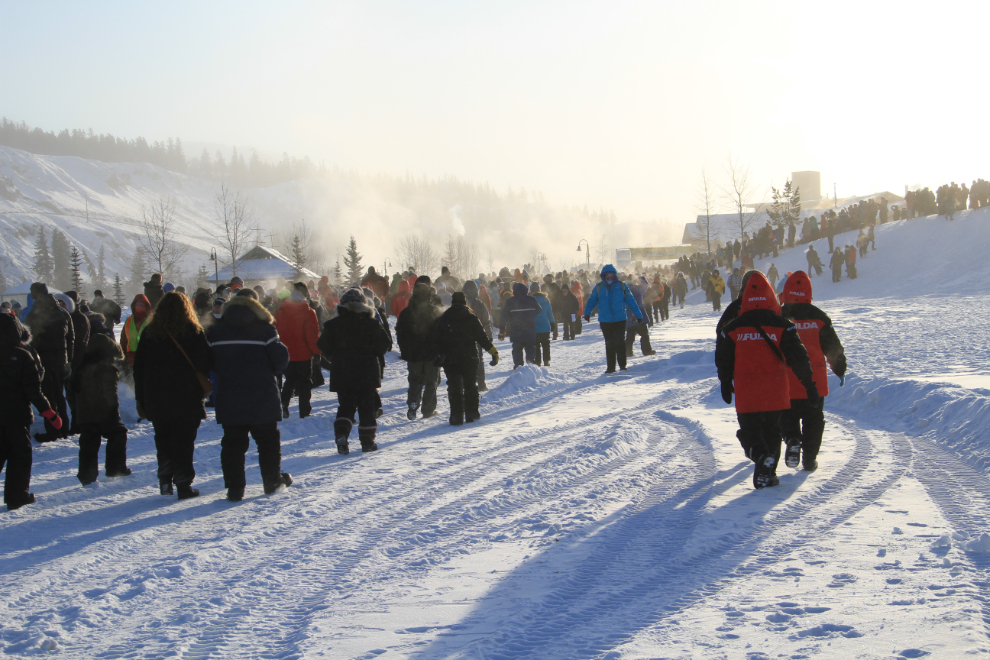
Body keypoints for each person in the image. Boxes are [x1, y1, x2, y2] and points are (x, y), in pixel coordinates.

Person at [715, 272, 818, 489]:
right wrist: (809, 383)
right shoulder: (783, 326)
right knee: (773, 431)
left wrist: (725, 382)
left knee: (749, 431)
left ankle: (761, 457)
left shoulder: (732, 328)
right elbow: (798, 357)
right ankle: (768, 473)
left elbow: (723, 357)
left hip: (747, 390)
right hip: (776, 391)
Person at [206, 289, 292, 501]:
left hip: (229, 395)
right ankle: (272, 481)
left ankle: (235, 488)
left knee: (233, 443)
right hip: (262, 395)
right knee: (268, 441)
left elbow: (206, 362)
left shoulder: (215, 333)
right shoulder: (266, 331)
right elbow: (281, 362)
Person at [133, 292, 213, 500]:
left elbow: (138, 368)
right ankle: (183, 484)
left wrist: (140, 397)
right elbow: (205, 363)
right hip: (186, 396)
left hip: (157, 397)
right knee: (184, 442)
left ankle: (165, 480)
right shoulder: (193, 331)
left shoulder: (150, 333)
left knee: (163, 440)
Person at [778, 271, 847, 471]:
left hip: (787, 380)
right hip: (815, 381)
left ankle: (792, 439)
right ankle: (809, 458)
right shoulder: (820, 318)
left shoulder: (779, 316)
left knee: (787, 416)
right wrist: (840, 369)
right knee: (814, 420)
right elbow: (834, 349)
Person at [319, 288, 392, 454]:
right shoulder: (371, 323)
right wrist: (371, 352)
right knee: (366, 407)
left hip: (342, 372)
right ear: (363, 304)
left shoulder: (333, 325)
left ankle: (342, 435)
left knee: (345, 406)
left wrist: (336, 357)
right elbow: (384, 344)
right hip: (366, 371)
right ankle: (367, 442)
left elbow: (323, 347)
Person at [0, 313, 61, 510]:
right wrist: (49, 413)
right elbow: (33, 391)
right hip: (16, 416)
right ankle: (16, 496)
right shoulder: (22, 356)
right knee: (20, 455)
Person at [71, 312, 130, 485]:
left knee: (89, 441)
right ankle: (115, 468)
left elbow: (73, 392)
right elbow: (110, 394)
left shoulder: (81, 367)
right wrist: (114, 415)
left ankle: (86, 475)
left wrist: (77, 414)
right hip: (103, 413)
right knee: (118, 433)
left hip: (85, 414)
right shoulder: (107, 368)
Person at [434, 291, 498, 425]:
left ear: (452, 303)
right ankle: (471, 414)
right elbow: (482, 338)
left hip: (451, 358)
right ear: (464, 303)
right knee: (470, 385)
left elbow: (437, 339)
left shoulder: (444, 318)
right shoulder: (471, 318)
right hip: (470, 357)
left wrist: (436, 354)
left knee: (454, 386)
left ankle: (456, 416)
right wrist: (493, 352)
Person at [24, 283, 74, 442]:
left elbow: (27, 339)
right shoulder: (62, 312)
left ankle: (53, 430)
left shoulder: (35, 313)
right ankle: (64, 428)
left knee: (47, 396)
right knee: (59, 395)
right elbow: (70, 338)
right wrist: (68, 359)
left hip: (43, 360)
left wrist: (32, 361)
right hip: (61, 360)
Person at [396, 281, 444, 419]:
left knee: (415, 380)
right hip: (431, 354)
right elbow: (441, 332)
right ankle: (428, 409)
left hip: (413, 354)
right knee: (431, 382)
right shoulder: (435, 311)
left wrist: (404, 351)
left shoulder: (406, 313)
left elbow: (400, 334)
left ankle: (413, 403)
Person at [583, 264, 643, 373]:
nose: (609, 277)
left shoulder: (622, 286)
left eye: (611, 275)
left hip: (620, 319)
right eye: (607, 275)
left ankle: (622, 365)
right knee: (609, 343)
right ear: (603, 276)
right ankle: (610, 367)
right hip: (605, 320)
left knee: (619, 341)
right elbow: (592, 300)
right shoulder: (599, 287)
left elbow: (631, 301)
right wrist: (587, 312)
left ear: (615, 275)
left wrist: (638, 314)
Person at [275, 283, 321, 419]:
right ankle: (304, 410)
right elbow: (311, 335)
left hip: (286, 353)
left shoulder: (279, 312)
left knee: (289, 380)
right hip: (303, 353)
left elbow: (274, 332)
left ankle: (284, 403)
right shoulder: (308, 312)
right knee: (305, 382)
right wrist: (316, 350)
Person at [498, 282, 541, 368]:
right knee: (530, 346)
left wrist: (502, 328)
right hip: (529, 328)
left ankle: (518, 365)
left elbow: (503, 316)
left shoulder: (510, 301)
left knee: (517, 348)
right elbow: (539, 310)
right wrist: (530, 315)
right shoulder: (532, 299)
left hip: (516, 329)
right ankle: (531, 363)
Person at [462, 280, 494, 391]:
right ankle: (481, 384)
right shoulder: (480, 304)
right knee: (478, 360)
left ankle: (464, 383)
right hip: (476, 338)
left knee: (462, 360)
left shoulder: (459, 304)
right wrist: (489, 337)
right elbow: (486, 322)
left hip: (461, 339)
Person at [625, 276, 655, 357]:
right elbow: (645, 284)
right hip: (639, 316)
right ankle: (647, 351)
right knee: (644, 334)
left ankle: (628, 352)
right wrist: (641, 277)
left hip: (629, 318)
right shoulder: (636, 289)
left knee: (630, 336)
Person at [122, 295, 153, 366]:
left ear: (146, 306)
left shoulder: (153, 319)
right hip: (132, 358)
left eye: (141, 304)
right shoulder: (129, 320)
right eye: (137, 305)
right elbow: (123, 340)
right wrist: (124, 356)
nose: (139, 306)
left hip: (149, 357)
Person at [531, 282, 556, 366]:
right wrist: (552, 323)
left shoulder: (529, 300)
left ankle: (538, 362)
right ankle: (546, 361)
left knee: (536, 345)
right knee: (546, 344)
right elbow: (550, 313)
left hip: (534, 327)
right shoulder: (546, 300)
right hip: (545, 326)